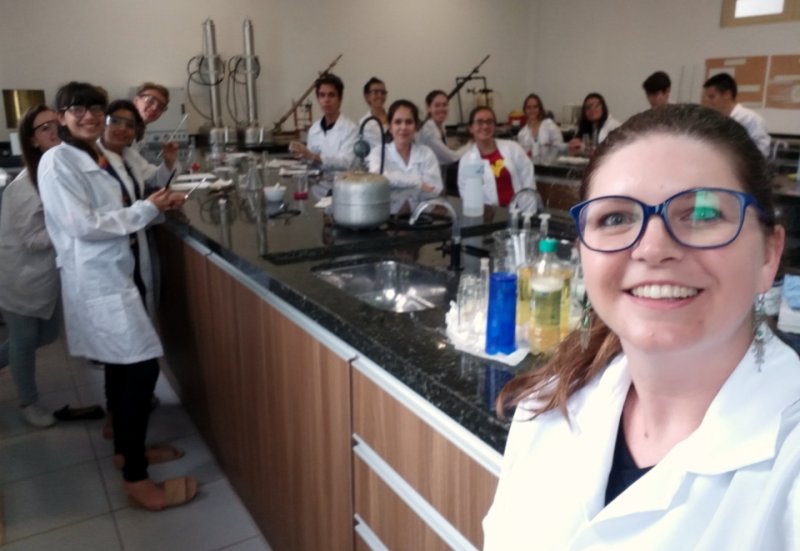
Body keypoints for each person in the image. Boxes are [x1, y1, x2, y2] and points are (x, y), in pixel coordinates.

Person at [483, 104, 799, 549]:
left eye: (702, 214)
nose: (653, 248)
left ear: (769, 254)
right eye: (615, 218)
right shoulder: (549, 403)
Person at [38, 82, 196, 511]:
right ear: (62, 115)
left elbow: (123, 206)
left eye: (96, 108)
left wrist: (157, 206)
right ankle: (136, 480)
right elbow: (83, 224)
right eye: (78, 109)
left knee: (123, 368)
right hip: (98, 280)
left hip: (121, 271)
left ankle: (128, 451)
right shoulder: (57, 162)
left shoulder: (100, 155)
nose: (89, 116)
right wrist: (147, 209)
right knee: (141, 369)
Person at [0, 106, 62, 428]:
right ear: (33, 140)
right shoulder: (25, 186)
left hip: (45, 274)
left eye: (57, 123)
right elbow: (31, 239)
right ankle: (28, 402)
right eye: (44, 127)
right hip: (20, 276)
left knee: (47, 335)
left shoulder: (56, 171)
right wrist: (71, 225)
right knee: (24, 341)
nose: (54, 130)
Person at [366, 99, 442, 214]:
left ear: (415, 126)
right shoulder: (378, 153)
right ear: (390, 127)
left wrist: (395, 185)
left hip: (423, 218)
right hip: (386, 218)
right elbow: (378, 180)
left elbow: (433, 190)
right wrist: (417, 183)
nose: (403, 127)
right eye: (398, 122)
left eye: (409, 122)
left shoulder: (426, 153)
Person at [289, 73, 358, 190]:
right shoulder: (314, 129)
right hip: (317, 189)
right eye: (322, 95)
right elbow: (310, 162)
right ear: (318, 99)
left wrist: (312, 156)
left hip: (342, 189)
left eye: (331, 95)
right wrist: (300, 153)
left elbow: (346, 162)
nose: (326, 100)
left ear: (340, 99)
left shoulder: (351, 129)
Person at [457, 106, 535, 207]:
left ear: (494, 126)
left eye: (489, 122)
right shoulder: (467, 161)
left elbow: (528, 182)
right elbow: (468, 196)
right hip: (488, 215)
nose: (485, 126)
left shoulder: (513, 148)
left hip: (519, 211)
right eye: (479, 122)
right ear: (471, 128)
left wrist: (527, 212)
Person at [702, 72, 770, 157]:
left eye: (711, 97)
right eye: (705, 98)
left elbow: (762, 153)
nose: (706, 102)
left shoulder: (750, 119)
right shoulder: (712, 120)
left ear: (727, 95)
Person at [129, 82, 179, 189]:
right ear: (136, 101)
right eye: (150, 100)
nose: (155, 107)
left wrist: (169, 161)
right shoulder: (122, 134)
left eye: (161, 107)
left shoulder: (138, 134)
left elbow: (153, 179)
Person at [417, 90, 463, 167]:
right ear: (428, 108)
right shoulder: (428, 132)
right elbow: (451, 158)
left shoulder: (440, 127)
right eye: (437, 105)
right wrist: (470, 145)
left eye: (444, 105)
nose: (441, 109)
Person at [516, 93, 564, 158]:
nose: (532, 110)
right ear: (525, 110)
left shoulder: (549, 125)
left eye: (535, 107)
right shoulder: (522, 133)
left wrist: (550, 147)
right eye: (529, 107)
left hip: (551, 162)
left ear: (540, 109)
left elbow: (560, 147)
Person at [358, 77, 389, 152]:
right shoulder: (364, 123)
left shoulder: (394, 116)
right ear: (367, 96)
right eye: (375, 92)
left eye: (383, 92)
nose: (380, 96)